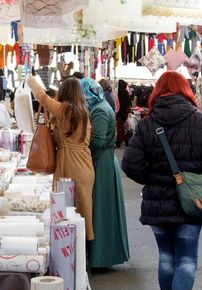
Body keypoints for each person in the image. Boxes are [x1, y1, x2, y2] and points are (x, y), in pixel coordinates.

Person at [122, 71, 202, 290]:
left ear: (157, 91)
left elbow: (130, 165)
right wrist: (192, 180)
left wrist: (153, 180)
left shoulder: (147, 124)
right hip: (192, 203)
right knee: (187, 259)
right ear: (185, 90)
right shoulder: (200, 122)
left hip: (157, 202)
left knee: (167, 258)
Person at [27, 75, 95, 241]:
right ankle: (81, 255)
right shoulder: (82, 112)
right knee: (81, 210)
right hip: (84, 164)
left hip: (71, 164)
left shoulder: (67, 110)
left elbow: (42, 97)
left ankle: (71, 253)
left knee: (65, 211)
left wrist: (31, 81)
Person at [80, 78, 129, 268]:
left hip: (102, 162)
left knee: (101, 208)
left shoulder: (99, 109)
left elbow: (98, 140)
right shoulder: (101, 105)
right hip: (105, 160)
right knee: (103, 207)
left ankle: (101, 256)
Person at [115, 79, 132, 148]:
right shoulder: (125, 92)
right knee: (127, 127)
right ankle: (127, 142)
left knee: (120, 128)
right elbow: (128, 103)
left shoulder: (117, 92)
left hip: (119, 112)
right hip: (125, 112)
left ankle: (118, 142)